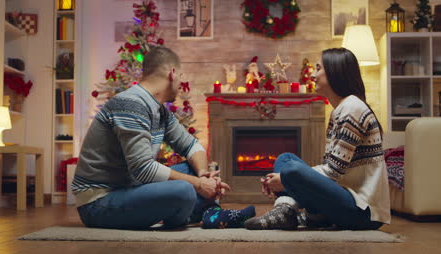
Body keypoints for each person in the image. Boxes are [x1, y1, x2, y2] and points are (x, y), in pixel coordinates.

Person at [72, 46, 255, 230]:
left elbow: (192, 146)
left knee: (191, 170)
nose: (181, 82)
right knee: (183, 189)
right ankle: (196, 213)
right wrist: (199, 185)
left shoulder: (159, 111)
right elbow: (143, 169)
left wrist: (202, 175)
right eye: (181, 76)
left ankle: (209, 214)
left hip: (129, 189)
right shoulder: (131, 103)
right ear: (172, 73)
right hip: (98, 202)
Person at [245, 48, 390, 230]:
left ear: (335, 72)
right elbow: (332, 173)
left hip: (364, 212)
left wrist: (284, 179)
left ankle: (288, 212)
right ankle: (287, 211)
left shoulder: (352, 109)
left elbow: (333, 172)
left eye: (318, 68)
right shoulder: (342, 109)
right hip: (346, 198)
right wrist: (286, 179)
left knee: (290, 169)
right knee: (285, 159)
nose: (313, 74)